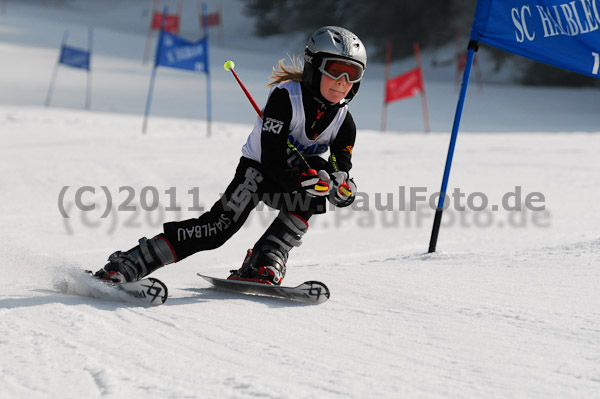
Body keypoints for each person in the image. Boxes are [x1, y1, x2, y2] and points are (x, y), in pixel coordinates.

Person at [93, 26, 367, 286]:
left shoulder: (345, 122)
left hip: (294, 178)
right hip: (258, 172)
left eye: (352, 74)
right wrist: (300, 181)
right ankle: (132, 261)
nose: (343, 82)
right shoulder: (286, 98)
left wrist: (343, 189)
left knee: (320, 180)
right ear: (313, 67)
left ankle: (265, 258)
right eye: (335, 71)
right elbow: (271, 158)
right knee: (217, 230)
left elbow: (339, 166)